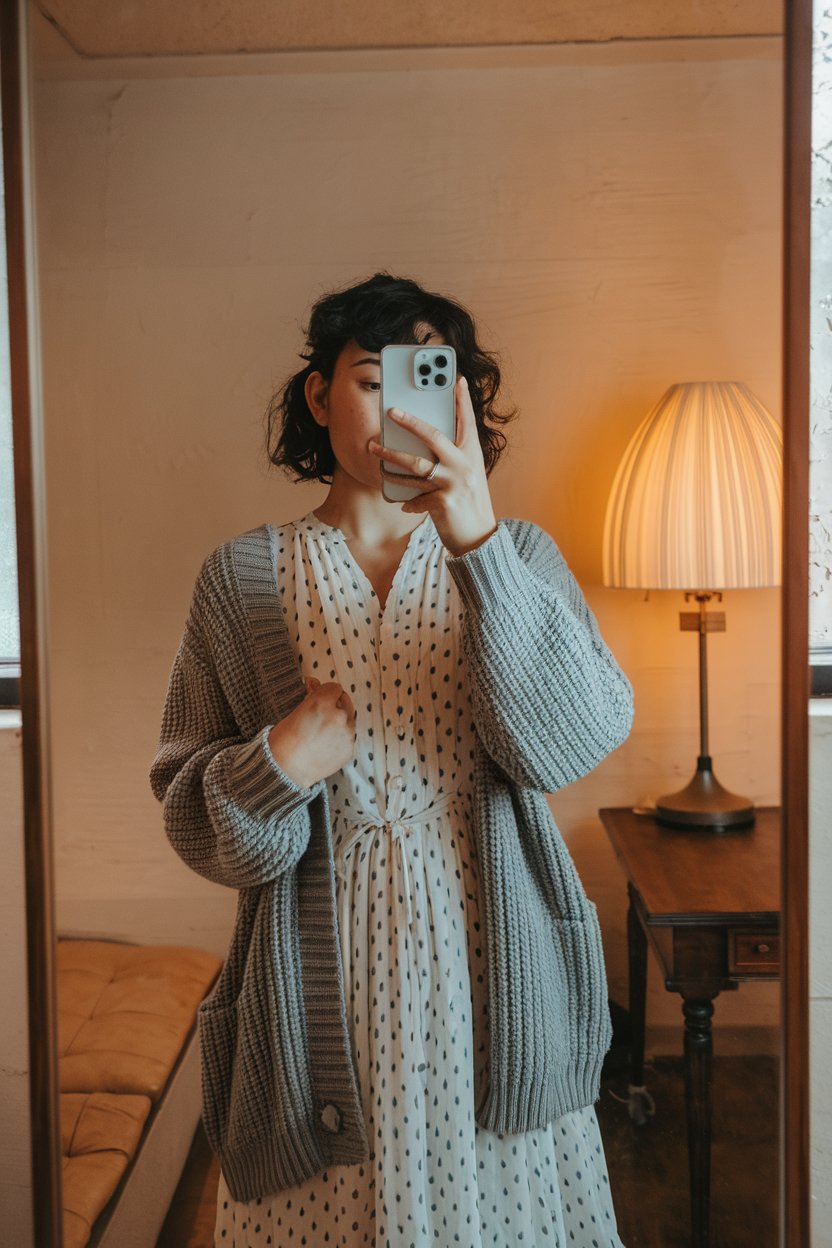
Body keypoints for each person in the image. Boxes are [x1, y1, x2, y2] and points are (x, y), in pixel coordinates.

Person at [149, 272, 634, 1247]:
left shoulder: (517, 555)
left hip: (493, 993)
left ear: (460, 404)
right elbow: (192, 817)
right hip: (316, 1006)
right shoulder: (240, 579)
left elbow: (568, 743)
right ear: (319, 396)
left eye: (427, 381)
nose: (398, 410)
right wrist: (276, 766)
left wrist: (475, 540)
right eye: (372, 381)